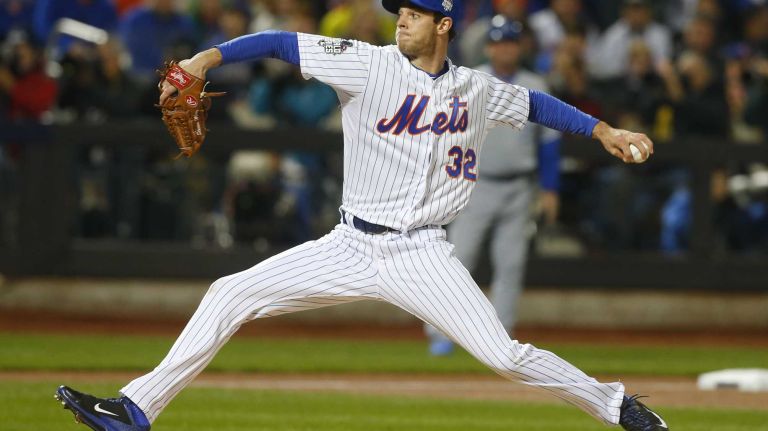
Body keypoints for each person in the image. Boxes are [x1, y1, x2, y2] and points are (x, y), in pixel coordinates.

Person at [53, 1, 667, 430]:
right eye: (400, 10)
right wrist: (206, 59)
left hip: (422, 254)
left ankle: (617, 407)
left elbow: (532, 102)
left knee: (504, 356)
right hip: (349, 243)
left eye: (417, 13)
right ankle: (135, 411)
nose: (402, 17)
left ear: (444, 26)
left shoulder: (475, 88)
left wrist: (602, 128)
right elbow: (278, 43)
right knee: (229, 292)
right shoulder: (365, 62)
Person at [425, 15, 562, 356]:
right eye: (499, 42)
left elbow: (549, 143)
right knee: (457, 260)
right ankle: (440, 331)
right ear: (488, 46)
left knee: (511, 264)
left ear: (520, 46)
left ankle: (499, 342)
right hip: (475, 184)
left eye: (511, 42)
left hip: (519, 187)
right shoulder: (471, 81)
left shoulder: (536, 85)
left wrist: (550, 189)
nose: (505, 48)